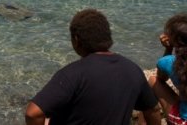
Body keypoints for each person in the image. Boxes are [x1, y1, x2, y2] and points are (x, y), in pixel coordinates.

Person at [25, 8, 161, 125]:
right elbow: (153, 110)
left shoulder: (73, 74)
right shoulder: (132, 70)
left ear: (76, 40)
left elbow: (33, 113)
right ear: (107, 36)